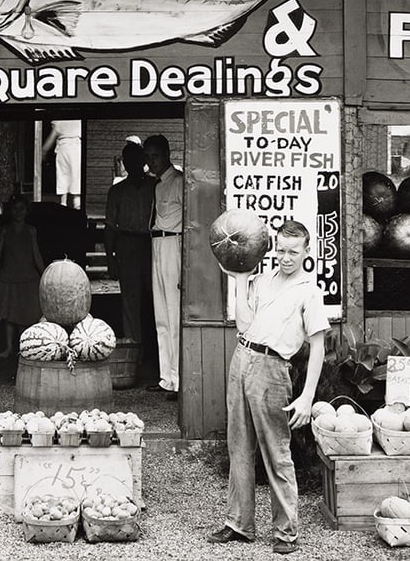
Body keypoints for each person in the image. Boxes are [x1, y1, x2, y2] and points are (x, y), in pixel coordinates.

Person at [207, 220, 329, 555]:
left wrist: (306, 397)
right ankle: (239, 524)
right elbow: (243, 323)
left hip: (273, 369)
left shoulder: (309, 290)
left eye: (293, 251)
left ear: (307, 252)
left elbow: (317, 346)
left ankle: (286, 531)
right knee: (239, 446)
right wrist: (242, 280)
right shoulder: (261, 281)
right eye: (281, 250)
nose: (286, 257)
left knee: (276, 452)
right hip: (242, 358)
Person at [103, 141, 156, 347]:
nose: (132, 163)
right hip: (126, 244)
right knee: (130, 300)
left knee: (155, 297)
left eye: (136, 159)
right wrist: (110, 259)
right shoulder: (117, 190)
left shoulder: (155, 185)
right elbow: (110, 227)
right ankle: (135, 350)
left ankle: (156, 350)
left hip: (151, 244)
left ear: (143, 160)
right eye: (128, 160)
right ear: (123, 162)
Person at [0, 193, 46, 358]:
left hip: (28, 277)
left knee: (25, 315)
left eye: (21, 209)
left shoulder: (31, 231)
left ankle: (22, 348)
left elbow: (36, 255)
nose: (18, 212)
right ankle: (10, 347)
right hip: (9, 275)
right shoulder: (6, 230)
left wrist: (45, 275)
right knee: (9, 315)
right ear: (11, 211)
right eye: (15, 209)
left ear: (26, 211)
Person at [143, 134, 182, 400]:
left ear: (167, 154)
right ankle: (166, 377)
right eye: (147, 157)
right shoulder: (156, 186)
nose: (150, 161)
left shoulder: (179, 182)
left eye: (155, 156)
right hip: (157, 244)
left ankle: (179, 379)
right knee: (161, 317)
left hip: (173, 244)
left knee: (174, 313)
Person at [42, 119, 82, 209]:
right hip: (76, 149)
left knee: (63, 177)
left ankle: (63, 204)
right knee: (76, 177)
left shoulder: (60, 121)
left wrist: (43, 151)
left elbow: (51, 138)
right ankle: (77, 205)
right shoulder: (78, 121)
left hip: (64, 149)